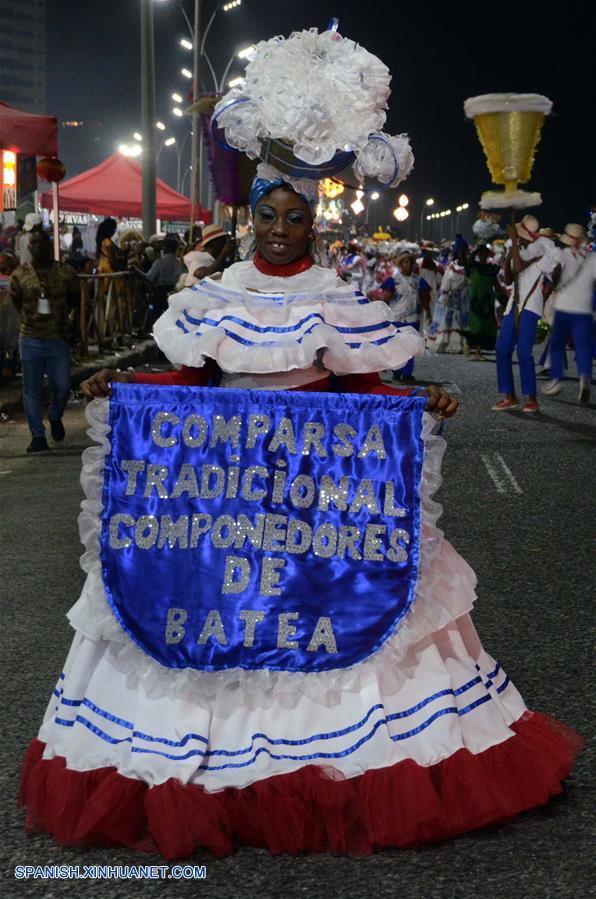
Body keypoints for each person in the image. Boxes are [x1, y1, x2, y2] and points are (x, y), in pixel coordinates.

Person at [20, 26, 580, 859]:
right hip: (228, 499)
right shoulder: (217, 293)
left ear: (311, 222)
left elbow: (358, 388)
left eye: (295, 217)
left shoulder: (336, 295)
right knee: (216, 614)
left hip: (319, 499)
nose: (281, 229)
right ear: (251, 219)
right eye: (269, 215)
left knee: (341, 612)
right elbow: (198, 383)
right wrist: (129, 390)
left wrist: (412, 398)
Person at [10, 230, 80, 452]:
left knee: (62, 386)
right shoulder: (19, 275)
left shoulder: (66, 273)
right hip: (30, 338)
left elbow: (74, 299)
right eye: (34, 243)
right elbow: (17, 301)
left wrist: (67, 323)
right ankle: (37, 435)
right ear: (29, 248)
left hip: (58, 337)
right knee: (32, 389)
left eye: (43, 243)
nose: (39, 247)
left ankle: (55, 414)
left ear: (50, 246)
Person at [492, 215, 558, 413]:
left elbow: (524, 267)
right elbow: (510, 278)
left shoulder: (541, 253)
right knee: (502, 348)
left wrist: (544, 297)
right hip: (514, 304)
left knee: (523, 352)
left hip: (531, 305)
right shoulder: (519, 251)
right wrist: (511, 255)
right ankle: (509, 395)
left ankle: (531, 398)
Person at [543, 224, 592, 403]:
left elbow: (552, 277)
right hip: (584, 310)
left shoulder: (562, 255)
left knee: (556, 345)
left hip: (563, 307)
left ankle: (556, 380)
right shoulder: (592, 258)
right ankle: (584, 382)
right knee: (582, 348)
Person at [381, 250, 430, 381]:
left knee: (410, 346)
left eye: (411, 262)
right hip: (396, 317)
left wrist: (428, 312)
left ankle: (407, 373)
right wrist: (382, 311)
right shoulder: (394, 280)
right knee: (397, 345)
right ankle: (397, 371)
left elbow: (424, 297)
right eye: (406, 262)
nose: (409, 265)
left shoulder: (418, 280)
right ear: (400, 264)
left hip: (413, 317)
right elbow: (387, 297)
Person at [427, 243, 470, 353]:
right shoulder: (451, 268)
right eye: (461, 253)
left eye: (465, 253)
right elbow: (445, 284)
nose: (463, 255)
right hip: (450, 298)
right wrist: (445, 295)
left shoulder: (469, 268)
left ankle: (459, 344)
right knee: (446, 321)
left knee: (460, 322)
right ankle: (444, 344)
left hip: (463, 300)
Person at [465, 244, 500, 360]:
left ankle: (477, 351)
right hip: (475, 302)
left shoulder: (491, 269)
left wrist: (504, 295)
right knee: (476, 326)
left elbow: (497, 285)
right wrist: (475, 250)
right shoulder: (473, 267)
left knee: (485, 326)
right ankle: (473, 350)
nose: (483, 255)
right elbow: (468, 262)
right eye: (481, 253)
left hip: (487, 303)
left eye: (485, 253)